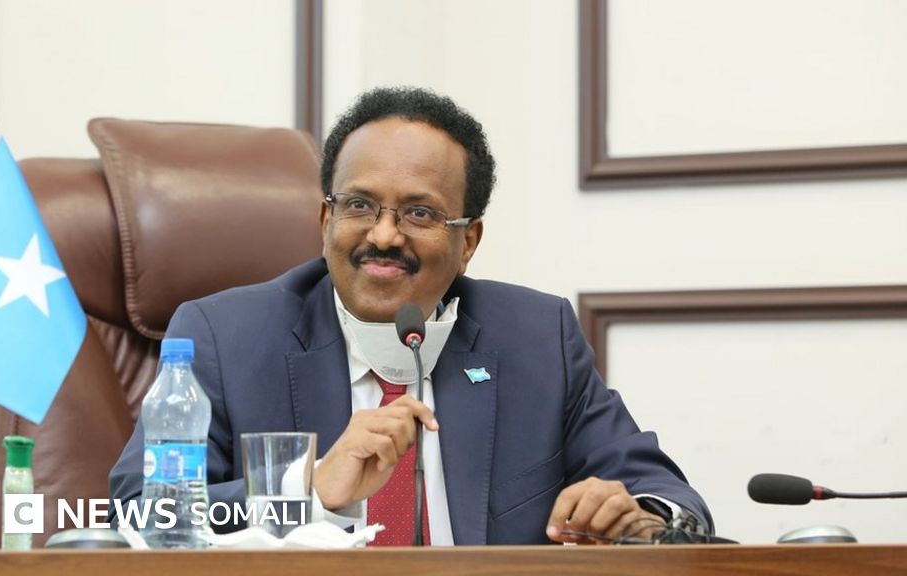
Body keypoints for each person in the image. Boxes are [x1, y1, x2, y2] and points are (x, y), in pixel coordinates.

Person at [109, 86, 713, 545]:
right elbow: (138, 513)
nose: (383, 235)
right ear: (325, 221)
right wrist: (305, 491)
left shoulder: (536, 338)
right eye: (359, 205)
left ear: (468, 240)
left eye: (420, 214)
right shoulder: (223, 338)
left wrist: (639, 517)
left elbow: (667, 495)